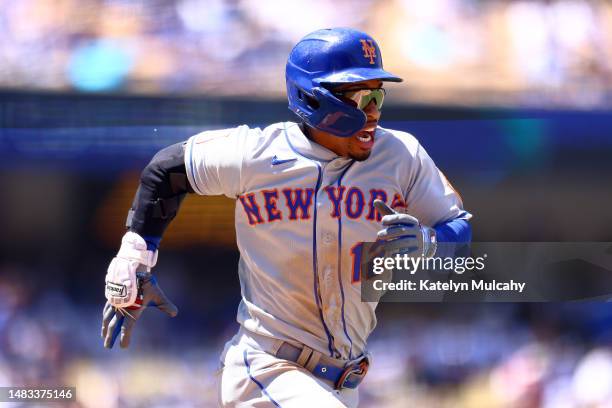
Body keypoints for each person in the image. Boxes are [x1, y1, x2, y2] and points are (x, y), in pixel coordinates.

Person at [101, 27, 472, 407]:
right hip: (266, 368)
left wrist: (431, 242)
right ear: (314, 98)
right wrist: (135, 255)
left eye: (379, 95)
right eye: (360, 97)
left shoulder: (402, 155)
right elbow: (166, 170)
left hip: (345, 383)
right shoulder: (256, 155)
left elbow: (459, 226)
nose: (374, 112)